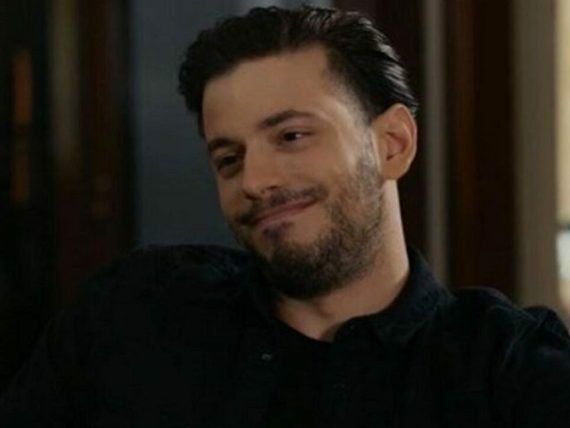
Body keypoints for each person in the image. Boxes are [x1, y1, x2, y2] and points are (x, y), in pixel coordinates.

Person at [1, 5, 569, 427]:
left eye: (292, 136)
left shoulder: (507, 372)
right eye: (229, 159)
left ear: (392, 144)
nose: (254, 181)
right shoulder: (134, 312)